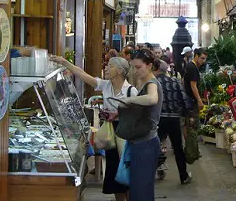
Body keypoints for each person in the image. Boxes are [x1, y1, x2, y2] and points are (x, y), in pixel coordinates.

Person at [50, 55, 136, 201]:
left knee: (126, 173)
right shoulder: (106, 85)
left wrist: (118, 114)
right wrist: (64, 62)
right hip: (110, 133)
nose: (106, 68)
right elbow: (83, 75)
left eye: (110, 66)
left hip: (125, 134)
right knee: (114, 174)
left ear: (120, 71)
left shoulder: (130, 91)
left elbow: (138, 115)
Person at [119, 49, 164, 201]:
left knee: (141, 191)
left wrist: (130, 100)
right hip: (142, 143)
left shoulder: (151, 83)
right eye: (133, 67)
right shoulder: (145, 82)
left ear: (149, 65)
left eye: (138, 67)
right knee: (139, 189)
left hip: (146, 144)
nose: (135, 71)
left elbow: (152, 99)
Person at [153, 59, 192, 184]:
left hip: (158, 119)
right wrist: (187, 115)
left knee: (153, 146)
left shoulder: (152, 83)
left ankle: (150, 172)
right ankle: (183, 176)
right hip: (174, 118)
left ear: (156, 69)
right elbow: (184, 99)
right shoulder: (175, 81)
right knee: (177, 148)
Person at [183, 48, 207, 116]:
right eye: (202, 58)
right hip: (191, 100)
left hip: (189, 97)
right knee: (193, 120)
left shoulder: (191, 65)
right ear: (196, 56)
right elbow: (193, 85)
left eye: (205, 59)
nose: (204, 61)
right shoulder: (192, 67)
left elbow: (183, 80)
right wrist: (199, 100)